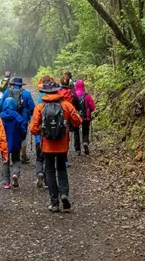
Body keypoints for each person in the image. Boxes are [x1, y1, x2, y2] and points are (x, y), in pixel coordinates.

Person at [30, 80, 82, 213]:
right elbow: (78, 121)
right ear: (58, 91)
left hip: (47, 146)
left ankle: (54, 203)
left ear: (45, 93)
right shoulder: (66, 105)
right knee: (61, 169)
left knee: (50, 171)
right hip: (62, 145)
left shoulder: (40, 107)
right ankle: (64, 193)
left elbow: (33, 129)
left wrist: (42, 130)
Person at [0, 76, 35, 163]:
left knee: (8, 135)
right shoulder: (26, 93)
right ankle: (23, 156)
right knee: (22, 136)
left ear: (13, 84)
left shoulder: (7, 92)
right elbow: (32, 107)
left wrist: (0, 115)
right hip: (22, 118)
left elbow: (0, 105)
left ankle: (9, 157)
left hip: (8, 118)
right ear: (21, 85)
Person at [0, 97, 26, 189]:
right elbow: (23, 128)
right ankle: (15, 174)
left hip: (4, 143)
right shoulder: (17, 116)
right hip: (15, 142)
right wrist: (22, 137)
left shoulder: (0, 116)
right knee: (16, 159)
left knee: (5, 161)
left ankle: (6, 182)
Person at [58, 72, 81, 165]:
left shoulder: (57, 91)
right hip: (69, 115)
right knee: (68, 134)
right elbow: (78, 103)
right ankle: (66, 157)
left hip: (59, 114)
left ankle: (58, 153)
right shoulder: (72, 92)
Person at [73, 79, 96, 155]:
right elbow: (92, 107)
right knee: (85, 131)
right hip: (86, 116)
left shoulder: (73, 95)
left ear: (76, 85)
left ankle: (77, 150)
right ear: (83, 86)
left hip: (76, 116)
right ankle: (85, 142)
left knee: (76, 132)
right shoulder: (87, 96)